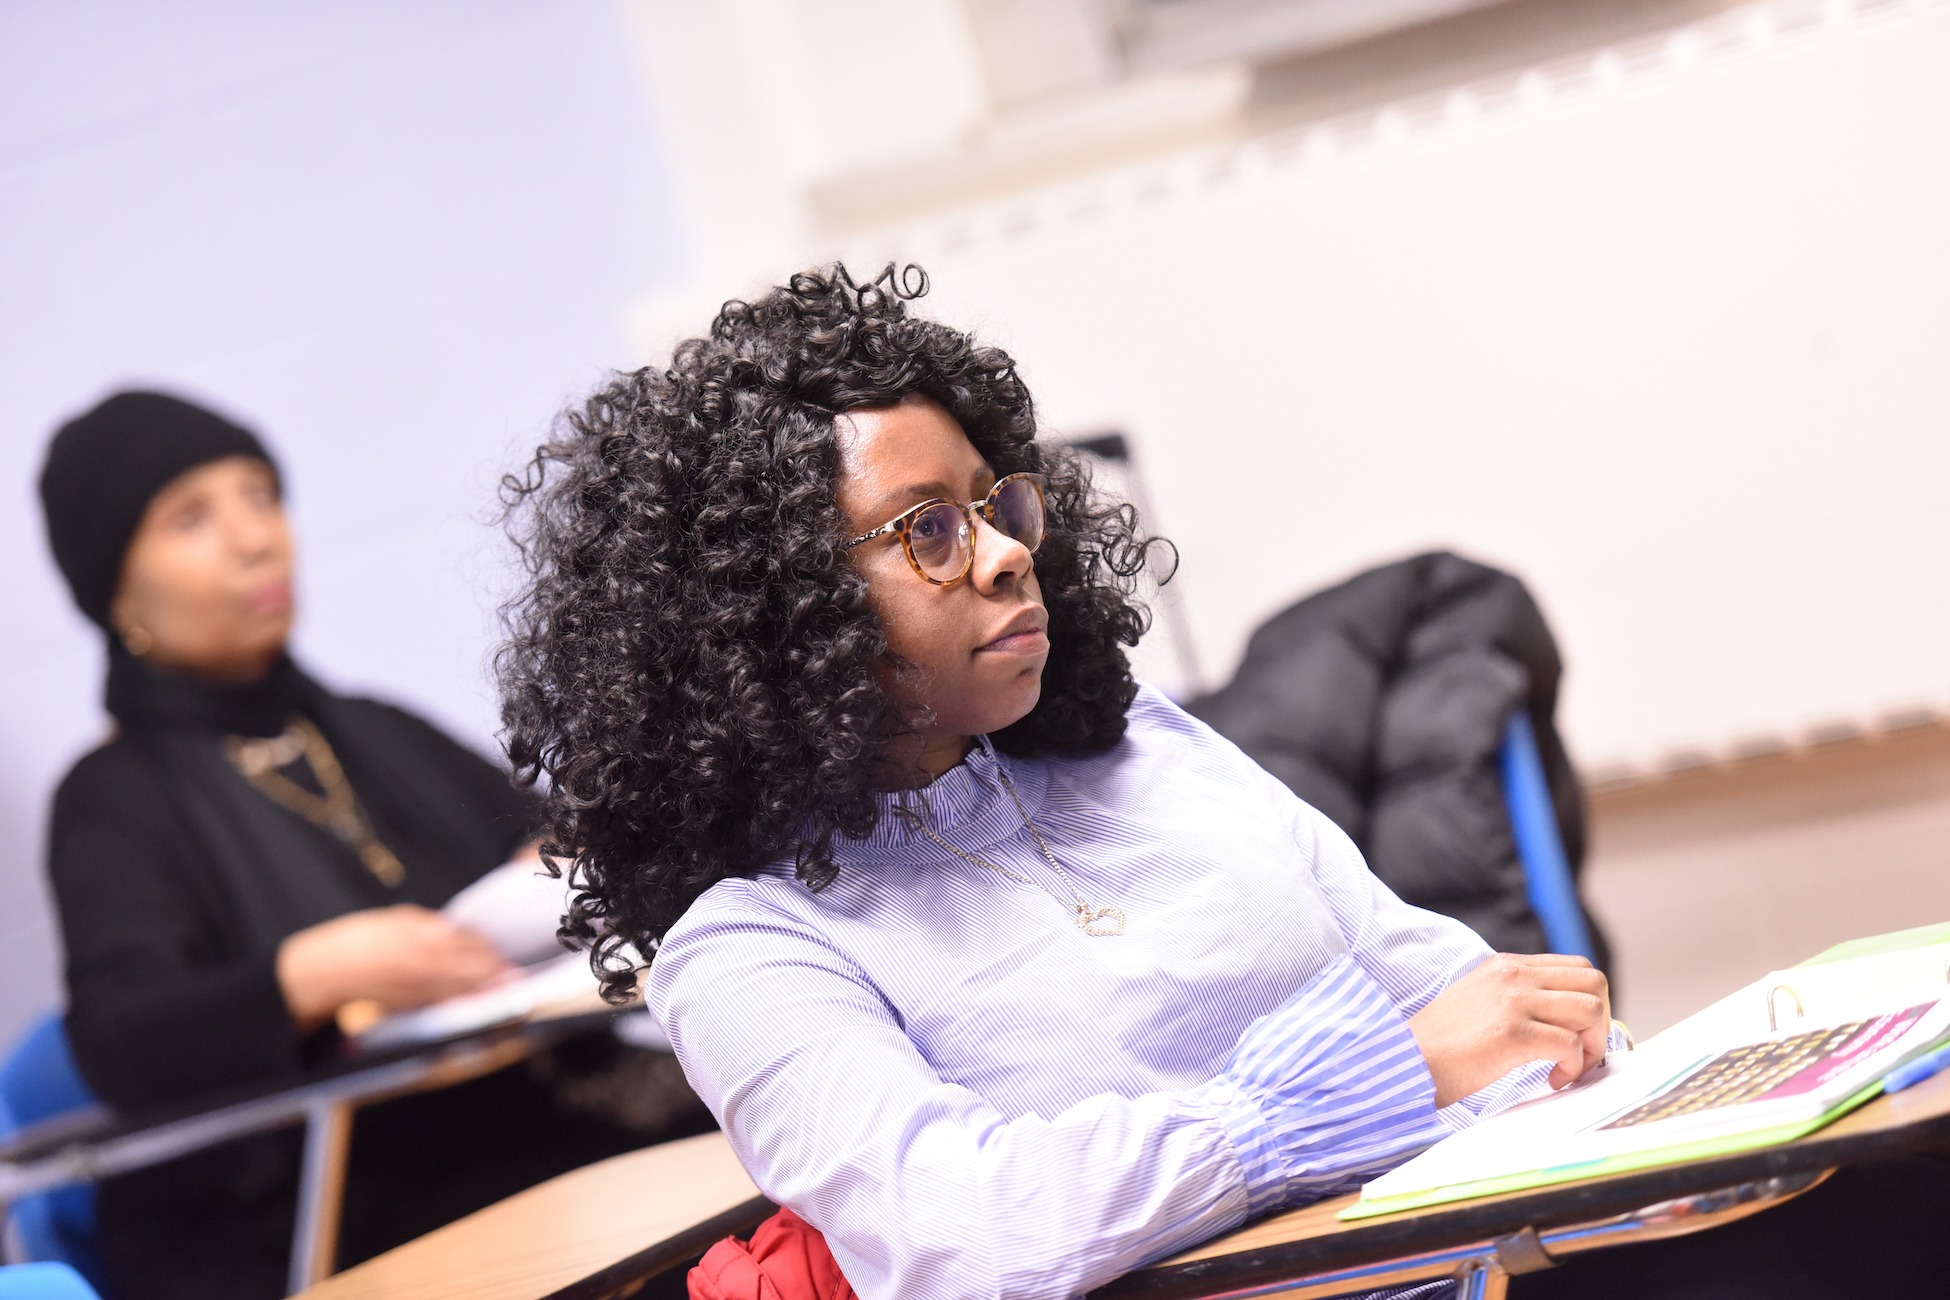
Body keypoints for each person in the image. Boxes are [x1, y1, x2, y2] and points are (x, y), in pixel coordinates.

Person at [497, 266, 1948, 1300]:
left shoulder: (1142, 754)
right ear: (774, 616)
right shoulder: (750, 948)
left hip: (1465, 1252)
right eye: (923, 532)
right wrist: (1373, 1082)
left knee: (1901, 1184)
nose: (1003, 551)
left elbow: (1436, 986)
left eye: (994, 502)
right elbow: (961, 1242)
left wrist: (1604, 1084)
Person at [36, 391, 707, 1300]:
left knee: (752, 1130)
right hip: (315, 1205)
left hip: (512, 1117)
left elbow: (575, 832)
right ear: (115, 589)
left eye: (261, 496)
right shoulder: (115, 796)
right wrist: (310, 976)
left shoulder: (372, 730)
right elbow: (118, 1040)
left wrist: (551, 861)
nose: (255, 538)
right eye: (192, 519)